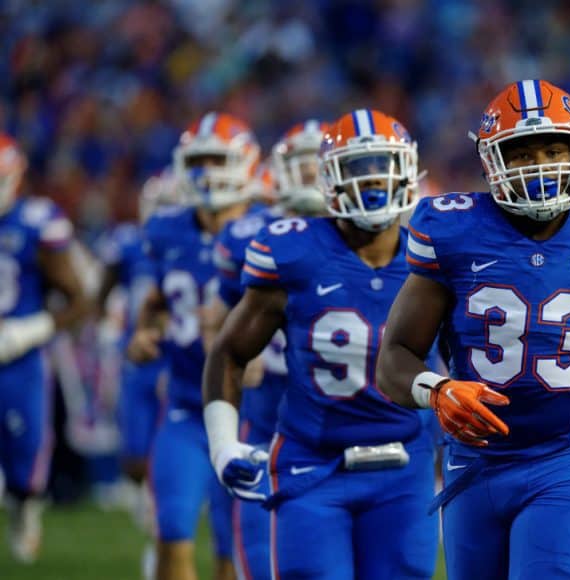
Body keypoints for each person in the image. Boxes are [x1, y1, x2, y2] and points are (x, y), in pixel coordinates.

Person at [376, 79, 570, 580]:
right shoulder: (452, 231)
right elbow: (396, 356)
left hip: (566, 461)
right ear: (492, 160)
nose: (542, 165)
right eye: (523, 153)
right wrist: (437, 390)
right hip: (475, 463)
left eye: (555, 148)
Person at [202, 109, 438, 579]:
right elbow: (229, 352)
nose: (373, 180)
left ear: (409, 172)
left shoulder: (433, 254)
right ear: (329, 178)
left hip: (404, 466)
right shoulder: (293, 251)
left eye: (383, 165)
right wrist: (223, 445)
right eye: (358, 168)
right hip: (313, 464)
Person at [128, 112, 258, 580]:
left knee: (233, 549)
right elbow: (158, 299)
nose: (206, 172)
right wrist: (145, 330)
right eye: (198, 160)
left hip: (249, 412)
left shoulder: (269, 230)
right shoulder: (166, 229)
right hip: (184, 405)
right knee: (172, 530)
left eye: (217, 160)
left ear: (245, 164)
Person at [204, 119, 325, 579]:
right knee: (254, 558)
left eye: (320, 163)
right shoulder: (247, 235)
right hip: (264, 415)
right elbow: (216, 325)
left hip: (336, 422)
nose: (312, 175)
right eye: (302, 164)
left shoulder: (370, 238)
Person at [0, 133, 89, 563]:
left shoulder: (35, 222)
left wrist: (25, 332)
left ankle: (23, 508)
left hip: (18, 358)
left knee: (24, 462)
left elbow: (78, 298)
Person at [95, 167, 180, 575]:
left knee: (171, 444)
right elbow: (105, 289)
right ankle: (154, 501)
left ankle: (165, 521)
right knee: (133, 454)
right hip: (137, 356)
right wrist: (107, 327)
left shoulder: (189, 247)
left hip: (175, 358)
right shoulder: (129, 243)